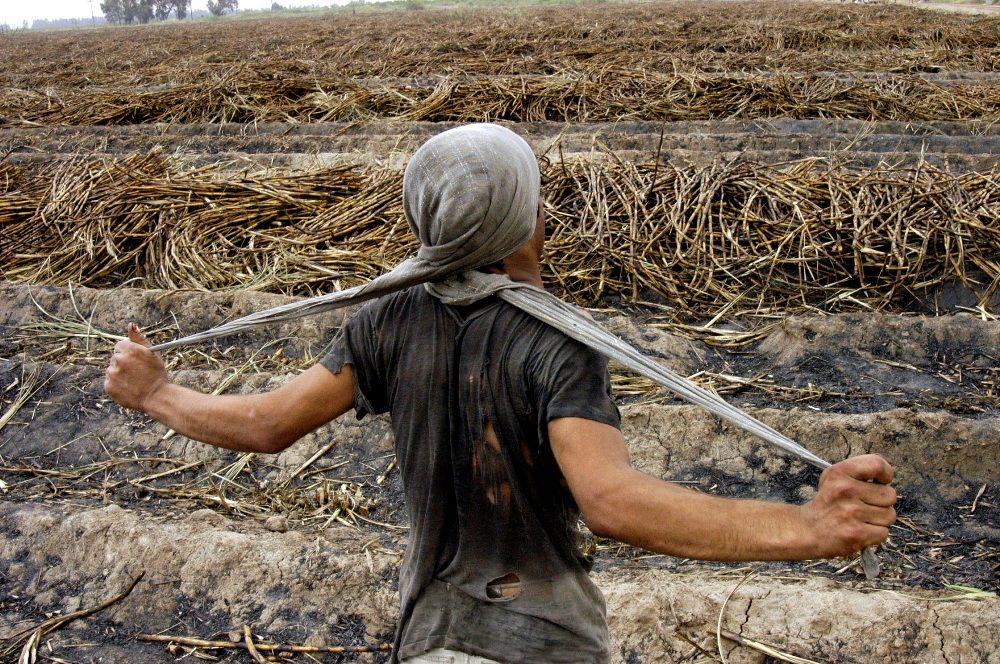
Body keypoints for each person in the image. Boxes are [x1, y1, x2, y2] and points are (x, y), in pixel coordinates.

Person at [105, 124, 897, 664]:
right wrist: (808, 527)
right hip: (541, 640)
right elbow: (611, 502)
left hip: (431, 635)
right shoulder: (557, 343)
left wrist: (157, 394)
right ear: (524, 220)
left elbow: (268, 423)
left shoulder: (384, 322)